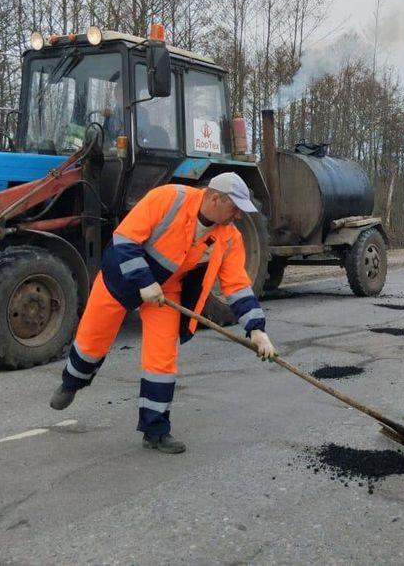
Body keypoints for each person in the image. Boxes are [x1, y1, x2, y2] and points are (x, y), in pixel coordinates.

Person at [49, 172, 277, 453]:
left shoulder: (228, 237)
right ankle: (72, 383)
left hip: (166, 292)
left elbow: (238, 285)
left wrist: (256, 327)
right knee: (92, 341)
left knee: (162, 359)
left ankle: (155, 430)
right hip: (120, 278)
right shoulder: (168, 198)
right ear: (215, 198)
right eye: (235, 209)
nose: (238, 217)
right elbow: (124, 241)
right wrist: (144, 281)